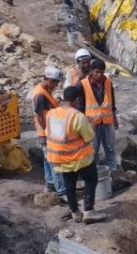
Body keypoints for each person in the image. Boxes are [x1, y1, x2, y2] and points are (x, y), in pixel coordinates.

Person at [45, 84, 98, 223]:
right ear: (76, 100)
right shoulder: (77, 116)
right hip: (79, 158)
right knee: (91, 179)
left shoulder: (51, 114)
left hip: (60, 159)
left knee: (69, 184)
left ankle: (75, 212)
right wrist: (90, 123)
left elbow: (49, 133)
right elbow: (89, 136)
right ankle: (88, 210)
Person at [30, 66, 62, 195]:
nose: (56, 85)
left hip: (47, 131)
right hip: (45, 132)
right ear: (48, 79)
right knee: (53, 160)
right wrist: (47, 130)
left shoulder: (45, 90)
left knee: (47, 159)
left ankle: (50, 184)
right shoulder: (39, 94)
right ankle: (61, 190)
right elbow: (39, 114)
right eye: (55, 82)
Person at [84, 58, 118, 173]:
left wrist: (115, 118)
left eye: (102, 72)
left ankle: (113, 170)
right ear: (91, 71)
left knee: (110, 146)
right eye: (97, 72)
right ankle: (95, 172)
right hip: (92, 123)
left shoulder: (108, 82)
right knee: (94, 149)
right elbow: (80, 105)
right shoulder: (83, 84)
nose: (100, 75)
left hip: (107, 121)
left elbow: (112, 102)